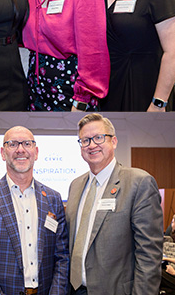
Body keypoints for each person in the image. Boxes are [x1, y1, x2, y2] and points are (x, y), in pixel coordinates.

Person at [66, 113, 163, 295]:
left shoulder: (139, 183)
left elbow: (149, 255)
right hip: (74, 289)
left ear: (114, 141)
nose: (92, 145)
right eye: (85, 140)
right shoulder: (75, 185)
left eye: (99, 137)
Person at [0, 126, 70, 295]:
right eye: (13, 144)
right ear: (2, 152)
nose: (20, 149)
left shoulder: (53, 198)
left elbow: (62, 257)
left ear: (36, 152)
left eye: (27, 144)